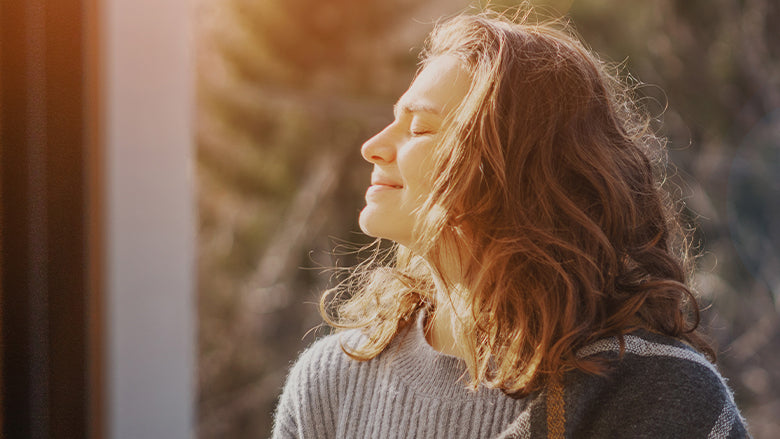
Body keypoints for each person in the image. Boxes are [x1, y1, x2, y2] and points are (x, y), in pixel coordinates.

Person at [271, 10, 749, 439]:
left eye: (418, 128)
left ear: (519, 170)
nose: (372, 146)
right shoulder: (330, 383)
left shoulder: (661, 395)